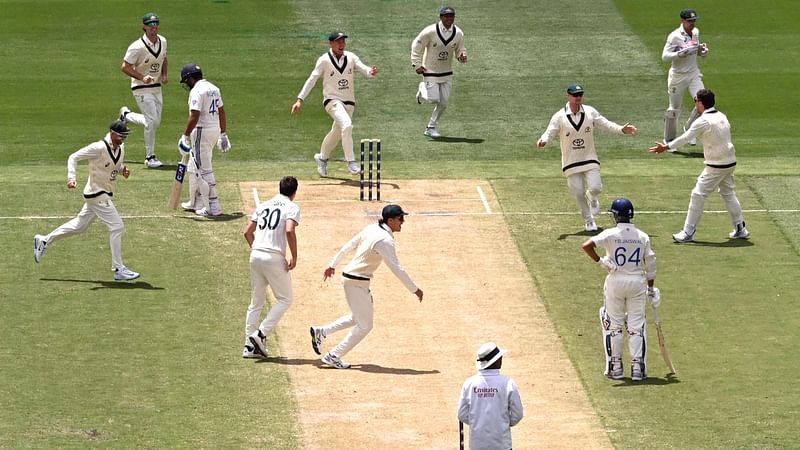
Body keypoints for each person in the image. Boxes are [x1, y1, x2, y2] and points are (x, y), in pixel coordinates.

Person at [309, 204, 423, 369]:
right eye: (400, 218)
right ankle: (333, 355)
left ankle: (322, 332)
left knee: (358, 318)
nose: (403, 221)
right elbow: (396, 268)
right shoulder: (385, 240)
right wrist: (415, 289)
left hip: (352, 279)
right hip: (357, 281)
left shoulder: (371, 229)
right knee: (365, 326)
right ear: (390, 220)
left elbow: (349, 245)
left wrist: (332, 265)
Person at [33, 120, 140, 281]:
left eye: (125, 136)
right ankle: (118, 269)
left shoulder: (121, 148)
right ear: (112, 133)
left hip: (102, 194)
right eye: (121, 135)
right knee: (117, 226)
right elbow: (73, 157)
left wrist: (122, 170)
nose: (123, 139)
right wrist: (71, 177)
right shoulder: (98, 148)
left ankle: (44, 241)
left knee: (79, 226)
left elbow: (113, 164)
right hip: (97, 195)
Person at [649, 89, 749, 243]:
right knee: (728, 193)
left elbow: (686, 137)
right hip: (730, 162)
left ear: (701, 103)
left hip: (716, 165)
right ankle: (740, 228)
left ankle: (688, 232)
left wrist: (666, 147)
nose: (695, 103)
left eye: (696, 100)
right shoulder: (721, 115)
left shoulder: (703, 121)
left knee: (698, 194)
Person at [537, 84, 638, 231]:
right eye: (575, 95)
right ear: (568, 96)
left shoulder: (590, 112)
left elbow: (606, 124)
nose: (578, 98)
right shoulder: (559, 116)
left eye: (580, 95)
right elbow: (550, 132)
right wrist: (543, 140)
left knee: (596, 187)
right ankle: (589, 220)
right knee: (577, 192)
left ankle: (592, 196)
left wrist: (621, 129)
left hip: (589, 158)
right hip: (571, 162)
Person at [581, 198, 658, 381]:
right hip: (637, 282)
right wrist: (651, 288)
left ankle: (616, 367)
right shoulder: (642, 236)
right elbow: (651, 263)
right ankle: (638, 368)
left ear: (616, 215)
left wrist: (601, 262)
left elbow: (586, 245)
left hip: (616, 281)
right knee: (636, 327)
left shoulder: (611, 233)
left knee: (614, 326)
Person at [291, 32, 378, 177]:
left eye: (343, 41)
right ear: (331, 43)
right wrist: (300, 99)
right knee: (347, 125)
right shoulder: (324, 60)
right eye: (338, 42)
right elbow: (312, 79)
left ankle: (322, 158)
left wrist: (371, 71)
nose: (341, 44)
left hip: (349, 102)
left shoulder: (351, 57)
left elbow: (364, 69)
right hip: (332, 100)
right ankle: (351, 162)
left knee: (337, 133)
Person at [242, 176, 301, 359]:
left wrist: (257, 250)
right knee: (285, 299)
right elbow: (290, 230)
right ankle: (260, 334)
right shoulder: (292, 207)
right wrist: (294, 256)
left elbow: (247, 232)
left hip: (255, 254)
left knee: (256, 302)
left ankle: (248, 347)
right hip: (274, 257)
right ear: (294, 192)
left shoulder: (264, 205)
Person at [177, 63, 231, 217]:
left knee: (204, 171)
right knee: (193, 167)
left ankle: (214, 207)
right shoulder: (214, 88)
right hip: (214, 131)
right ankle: (195, 202)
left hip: (201, 132)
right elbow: (221, 112)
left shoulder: (196, 91)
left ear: (189, 79)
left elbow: (194, 116)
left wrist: (185, 136)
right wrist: (223, 133)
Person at [119, 12, 169, 168]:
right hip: (140, 87)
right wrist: (141, 77)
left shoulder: (163, 41)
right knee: (151, 122)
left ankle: (126, 115)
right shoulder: (136, 47)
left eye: (155, 25)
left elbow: (164, 58)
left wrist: (164, 74)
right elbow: (125, 67)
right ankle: (150, 157)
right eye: (150, 25)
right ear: (144, 27)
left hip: (155, 87)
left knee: (155, 122)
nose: (153, 28)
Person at [411, 6, 467, 139]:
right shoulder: (430, 31)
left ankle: (431, 127)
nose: (449, 19)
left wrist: (462, 56)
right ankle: (421, 92)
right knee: (433, 98)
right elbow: (417, 45)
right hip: (430, 70)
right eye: (446, 16)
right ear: (441, 17)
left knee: (444, 103)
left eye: (451, 16)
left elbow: (460, 49)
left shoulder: (458, 33)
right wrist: (417, 64)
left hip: (446, 72)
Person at [457, 342, 524, 449]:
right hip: (502, 444)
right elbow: (518, 414)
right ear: (495, 361)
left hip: (477, 444)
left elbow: (462, 414)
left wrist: (478, 423)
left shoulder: (469, 383)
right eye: (499, 357)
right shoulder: (507, 383)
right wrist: (503, 423)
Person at [662, 8, 709, 145]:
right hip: (678, 77)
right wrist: (679, 54)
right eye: (689, 21)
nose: (692, 23)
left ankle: (689, 129)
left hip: (693, 74)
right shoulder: (674, 36)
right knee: (674, 110)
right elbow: (664, 56)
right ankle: (669, 140)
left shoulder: (696, 32)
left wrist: (702, 51)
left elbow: (695, 49)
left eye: (694, 21)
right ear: (682, 20)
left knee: (703, 103)